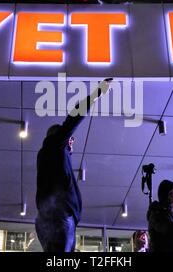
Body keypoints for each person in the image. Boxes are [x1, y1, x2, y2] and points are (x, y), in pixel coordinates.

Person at [35, 78, 112, 252]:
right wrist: (96, 93)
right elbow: (73, 119)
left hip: (51, 218)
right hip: (58, 217)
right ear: (59, 137)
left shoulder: (48, 157)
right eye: (69, 139)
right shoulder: (54, 145)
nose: (71, 142)